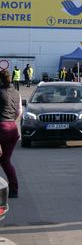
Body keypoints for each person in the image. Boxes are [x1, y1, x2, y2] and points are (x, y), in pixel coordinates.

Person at [0, 69, 21, 198]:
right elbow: (19, 112)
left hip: (2, 128)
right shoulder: (16, 93)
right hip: (13, 128)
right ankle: (13, 190)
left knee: (5, 161)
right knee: (5, 161)